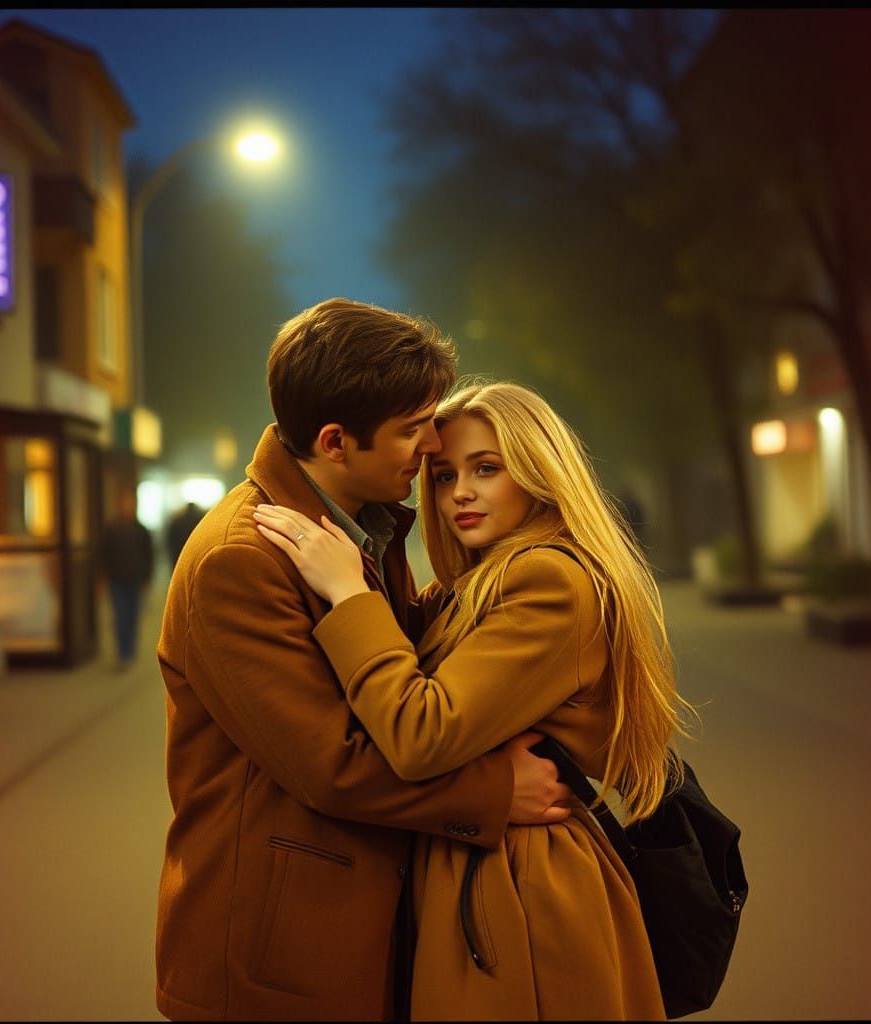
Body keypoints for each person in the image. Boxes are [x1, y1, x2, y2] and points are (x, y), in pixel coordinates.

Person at [155, 301, 572, 1022]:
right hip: (273, 953)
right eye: (412, 429)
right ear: (335, 441)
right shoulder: (243, 558)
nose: (433, 444)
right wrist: (494, 794)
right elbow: (332, 763)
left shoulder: (360, 526)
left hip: (347, 923)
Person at [256, 380, 699, 1021]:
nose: (459, 492)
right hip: (481, 873)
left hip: (522, 888)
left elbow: (420, 733)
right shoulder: (475, 581)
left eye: (486, 469)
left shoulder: (549, 579)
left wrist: (349, 595)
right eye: (441, 475)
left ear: (538, 473)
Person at [100, 488, 155, 670]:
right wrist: (103, 578)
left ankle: (130, 650)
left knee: (133, 616)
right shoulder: (111, 529)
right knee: (121, 616)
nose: (128, 506)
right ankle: (123, 653)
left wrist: (147, 579)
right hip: (117, 580)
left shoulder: (141, 530)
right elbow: (103, 555)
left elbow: (149, 555)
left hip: (135, 579)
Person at [165, 501, 204, 568]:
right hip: (194, 554)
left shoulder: (178, 520)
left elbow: (170, 539)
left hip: (179, 553)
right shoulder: (200, 520)